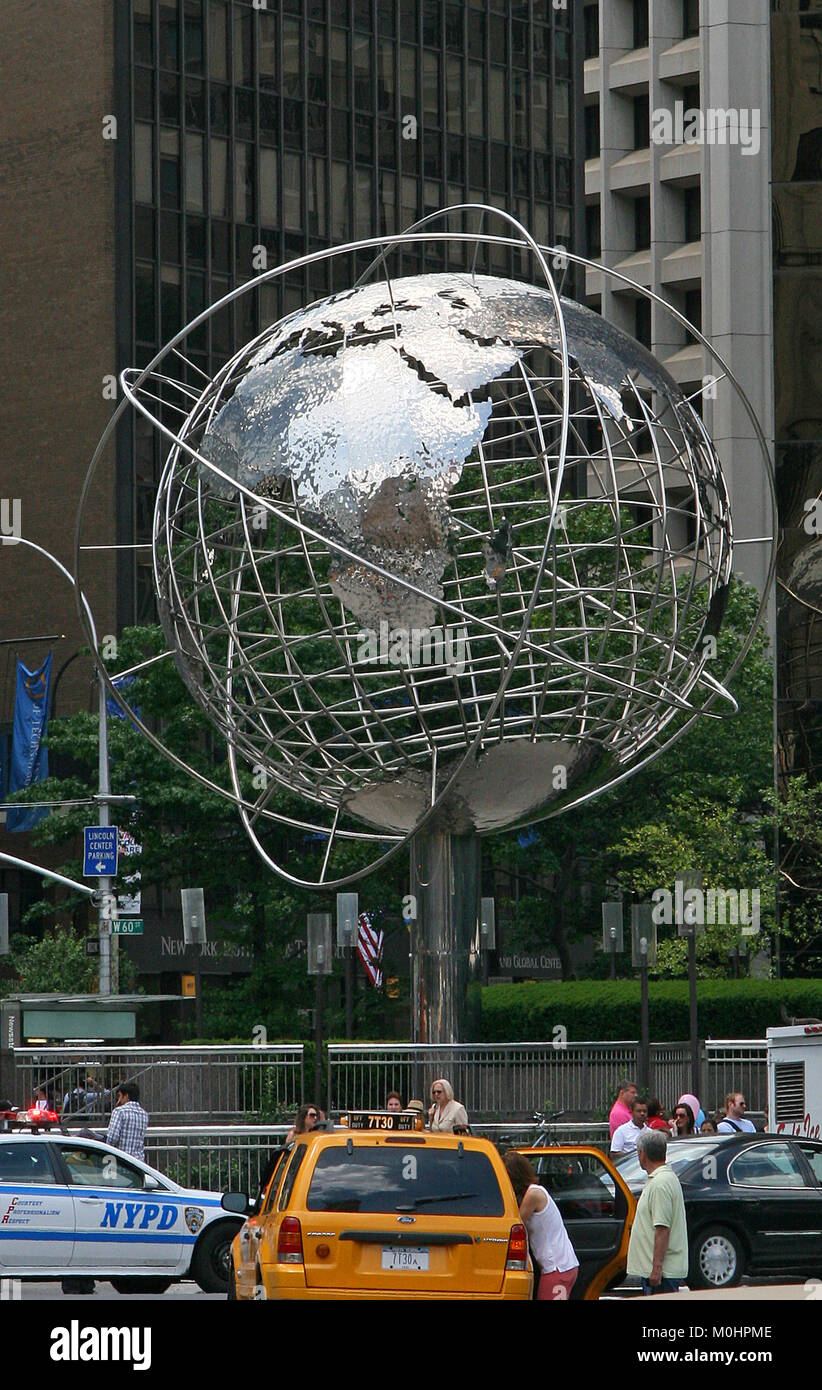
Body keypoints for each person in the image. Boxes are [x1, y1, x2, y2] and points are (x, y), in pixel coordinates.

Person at [503, 1151, 579, 1300]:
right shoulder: (533, 1192)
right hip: (559, 1266)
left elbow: (515, 1223)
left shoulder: (533, 1195)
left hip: (558, 1267)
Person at [626, 1129, 688, 1296]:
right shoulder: (661, 1179)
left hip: (662, 1275)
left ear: (642, 1153)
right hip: (660, 1272)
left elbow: (662, 1229)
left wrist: (656, 1269)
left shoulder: (660, 1183)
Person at [105, 1081, 149, 1161]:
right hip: (138, 1161)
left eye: (119, 1096)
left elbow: (112, 1138)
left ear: (126, 1096)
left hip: (122, 1160)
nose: (119, 1100)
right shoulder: (144, 1114)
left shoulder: (119, 1111)